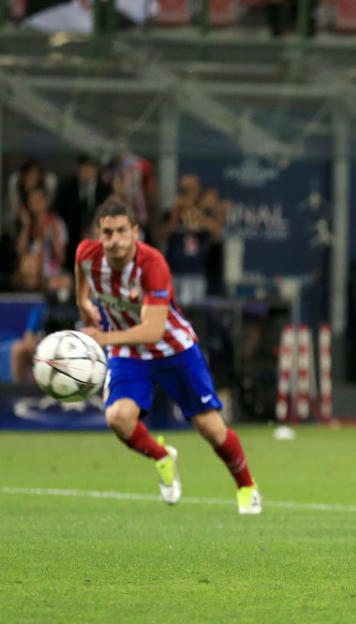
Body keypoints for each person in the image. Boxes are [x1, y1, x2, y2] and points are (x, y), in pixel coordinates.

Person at [75, 199, 261, 515]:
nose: (115, 239)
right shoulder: (86, 255)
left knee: (211, 429)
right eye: (108, 233)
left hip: (174, 350)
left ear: (135, 231)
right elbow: (82, 279)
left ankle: (246, 486)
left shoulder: (152, 264)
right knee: (118, 418)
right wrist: (83, 304)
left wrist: (103, 338)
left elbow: (152, 330)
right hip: (129, 353)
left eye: (122, 231)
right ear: (99, 234)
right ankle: (162, 456)